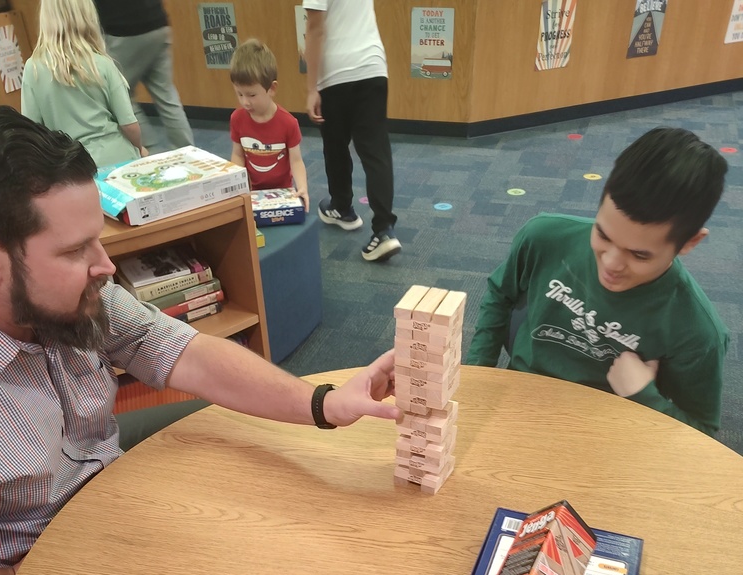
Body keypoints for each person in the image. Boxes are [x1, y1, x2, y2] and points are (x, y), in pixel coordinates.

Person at [0, 106, 399, 575]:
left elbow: (182, 350)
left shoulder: (79, 297)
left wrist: (325, 403)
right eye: (74, 249)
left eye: (97, 238)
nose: (105, 265)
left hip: (115, 514)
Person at [465, 127, 729, 436]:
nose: (611, 263)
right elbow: (500, 294)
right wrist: (475, 374)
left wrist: (643, 396)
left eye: (639, 255)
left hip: (606, 434)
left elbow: (702, 438)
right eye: (603, 234)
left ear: (689, 242)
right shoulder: (543, 237)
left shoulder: (697, 330)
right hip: (519, 405)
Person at [303, 0, 401, 263]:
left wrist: (311, 88)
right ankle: (384, 230)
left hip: (337, 70)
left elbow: (315, 28)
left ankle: (342, 206)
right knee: (375, 150)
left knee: (335, 143)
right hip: (373, 66)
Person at [21, 0, 144, 169]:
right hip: (117, 157)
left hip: (71, 167)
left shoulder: (33, 69)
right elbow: (129, 124)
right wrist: (139, 148)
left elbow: (31, 132)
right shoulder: (101, 63)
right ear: (87, 16)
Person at [93, 0, 193, 152]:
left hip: (124, 31)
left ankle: (150, 150)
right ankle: (187, 151)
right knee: (166, 95)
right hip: (158, 24)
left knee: (122, 95)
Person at [229, 39, 309, 211]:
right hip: (252, 191)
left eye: (251, 95)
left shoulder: (288, 123)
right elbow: (238, 156)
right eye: (239, 94)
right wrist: (237, 187)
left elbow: (296, 161)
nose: (245, 102)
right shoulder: (237, 118)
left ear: (272, 89)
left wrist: (302, 187)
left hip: (283, 192)